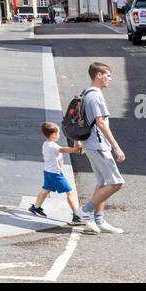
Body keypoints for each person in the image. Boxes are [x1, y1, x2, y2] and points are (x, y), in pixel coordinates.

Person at [78, 62, 125, 234]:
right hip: (98, 144)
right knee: (117, 182)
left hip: (90, 143)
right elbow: (101, 123)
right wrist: (116, 147)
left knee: (102, 182)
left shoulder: (86, 92)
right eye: (108, 75)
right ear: (98, 75)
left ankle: (99, 220)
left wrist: (77, 141)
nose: (110, 79)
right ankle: (85, 211)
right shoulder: (96, 96)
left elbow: (81, 119)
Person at [28, 122, 91, 229]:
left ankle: (36, 207)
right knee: (70, 192)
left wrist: (76, 148)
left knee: (46, 189)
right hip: (56, 174)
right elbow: (64, 150)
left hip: (48, 171)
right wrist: (77, 149)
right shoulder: (53, 146)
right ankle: (76, 215)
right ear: (53, 135)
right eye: (58, 133)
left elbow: (62, 150)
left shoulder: (46, 144)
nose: (59, 135)